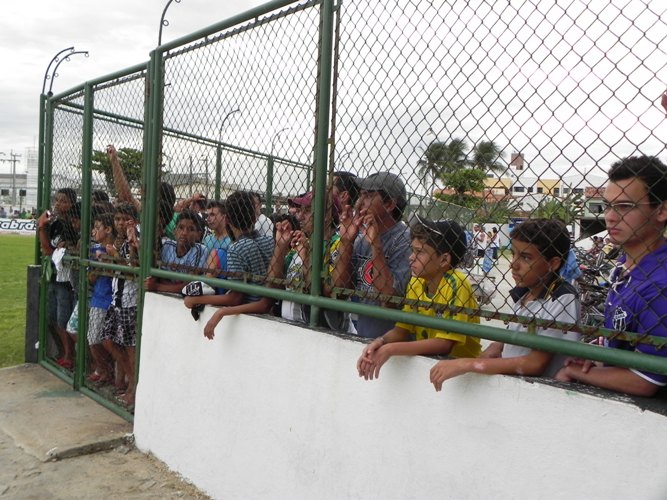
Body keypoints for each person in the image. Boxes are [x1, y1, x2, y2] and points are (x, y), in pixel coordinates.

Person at [556, 155, 667, 397]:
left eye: (625, 207)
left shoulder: (660, 284)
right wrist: (596, 354)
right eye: (608, 205)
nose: (610, 216)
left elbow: (646, 379)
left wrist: (577, 372)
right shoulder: (624, 264)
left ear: (662, 210)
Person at [430, 218, 581, 391]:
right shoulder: (524, 292)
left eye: (525, 257)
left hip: (544, 393)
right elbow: (505, 343)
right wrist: (494, 349)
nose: (513, 264)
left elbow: (535, 363)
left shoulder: (561, 298)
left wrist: (469, 364)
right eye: (513, 254)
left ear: (552, 263)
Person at [357, 217, 481, 380]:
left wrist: (390, 349)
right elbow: (402, 330)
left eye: (420, 252)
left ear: (444, 259)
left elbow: (444, 344)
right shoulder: (416, 282)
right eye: (413, 251)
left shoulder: (456, 283)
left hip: (461, 373)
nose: (411, 257)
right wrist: (380, 342)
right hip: (435, 365)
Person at [183, 191, 275, 339]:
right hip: (267, 309)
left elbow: (235, 298)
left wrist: (196, 300)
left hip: (251, 316)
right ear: (254, 217)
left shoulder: (237, 248)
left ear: (227, 220)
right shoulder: (269, 241)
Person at [331, 171, 412, 339]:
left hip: (393, 347)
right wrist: (346, 241)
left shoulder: (406, 241)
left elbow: (389, 298)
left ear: (389, 204)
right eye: (360, 196)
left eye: (367, 196)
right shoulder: (361, 240)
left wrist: (376, 246)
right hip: (364, 338)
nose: (358, 204)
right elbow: (339, 289)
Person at [100, 203, 140, 405]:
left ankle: (133, 388)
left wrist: (114, 257)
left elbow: (134, 269)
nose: (121, 223)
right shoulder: (120, 242)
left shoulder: (136, 240)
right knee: (109, 340)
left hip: (130, 301)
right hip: (117, 299)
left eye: (125, 219)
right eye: (117, 219)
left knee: (131, 347)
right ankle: (128, 379)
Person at [36, 187, 78, 368]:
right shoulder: (54, 222)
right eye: (57, 200)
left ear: (71, 204)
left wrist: (41, 228)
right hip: (52, 276)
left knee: (63, 320)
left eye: (64, 201)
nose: (58, 204)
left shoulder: (68, 226)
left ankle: (70, 356)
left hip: (65, 280)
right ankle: (63, 352)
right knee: (51, 319)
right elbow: (48, 250)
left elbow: (47, 250)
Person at [144, 209, 210, 294]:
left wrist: (157, 286)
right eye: (181, 227)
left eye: (191, 229)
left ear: (198, 235)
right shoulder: (167, 246)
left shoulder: (200, 250)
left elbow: (189, 285)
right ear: (174, 231)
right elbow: (161, 277)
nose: (184, 233)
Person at [86, 212, 116, 384]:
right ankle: (104, 370)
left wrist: (107, 259)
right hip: (98, 298)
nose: (93, 231)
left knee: (103, 339)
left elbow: (115, 273)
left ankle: (108, 371)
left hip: (109, 299)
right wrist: (97, 265)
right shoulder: (94, 250)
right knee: (93, 337)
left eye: (97, 228)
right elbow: (91, 278)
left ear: (108, 229)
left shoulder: (113, 250)